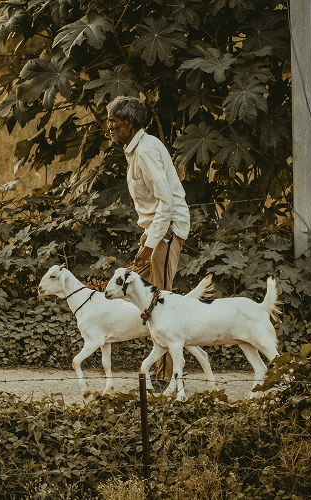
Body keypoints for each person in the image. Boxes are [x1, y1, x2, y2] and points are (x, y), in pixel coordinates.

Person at [106, 96, 191, 391]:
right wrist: (147, 240)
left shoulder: (145, 152)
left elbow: (166, 204)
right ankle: (165, 366)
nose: (110, 127)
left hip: (167, 230)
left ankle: (165, 376)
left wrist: (150, 245)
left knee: (161, 302)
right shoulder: (136, 149)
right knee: (142, 295)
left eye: (114, 121)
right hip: (155, 230)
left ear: (129, 124)